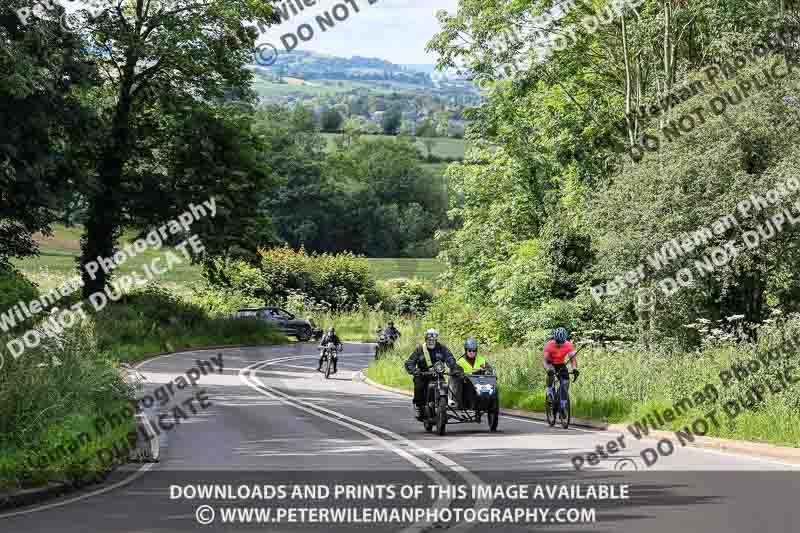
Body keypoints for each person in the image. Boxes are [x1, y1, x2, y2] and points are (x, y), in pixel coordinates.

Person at [404, 329, 462, 421]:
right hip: (423, 375)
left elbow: (450, 358)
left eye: (433, 339)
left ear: (436, 340)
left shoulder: (442, 348)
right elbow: (409, 362)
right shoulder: (420, 349)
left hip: (438, 375)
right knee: (419, 386)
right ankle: (419, 408)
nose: (431, 341)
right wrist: (415, 371)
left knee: (445, 386)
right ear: (425, 339)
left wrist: (454, 367)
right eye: (429, 339)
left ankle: (443, 409)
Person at [542, 327, 579, 407]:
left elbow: (573, 360)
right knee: (551, 373)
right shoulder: (549, 345)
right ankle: (549, 392)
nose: (559, 344)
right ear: (555, 339)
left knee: (565, 384)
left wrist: (575, 369)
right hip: (550, 363)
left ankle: (563, 405)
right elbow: (544, 361)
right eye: (558, 341)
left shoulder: (568, 345)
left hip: (561, 364)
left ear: (564, 340)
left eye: (561, 342)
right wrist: (548, 369)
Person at [456, 338, 490, 409]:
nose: (472, 352)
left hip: (480, 383)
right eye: (469, 350)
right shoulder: (460, 362)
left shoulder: (481, 360)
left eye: (474, 350)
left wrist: (491, 373)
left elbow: (489, 369)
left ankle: (488, 404)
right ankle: (464, 405)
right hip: (466, 385)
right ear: (466, 350)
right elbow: (457, 373)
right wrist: (464, 376)